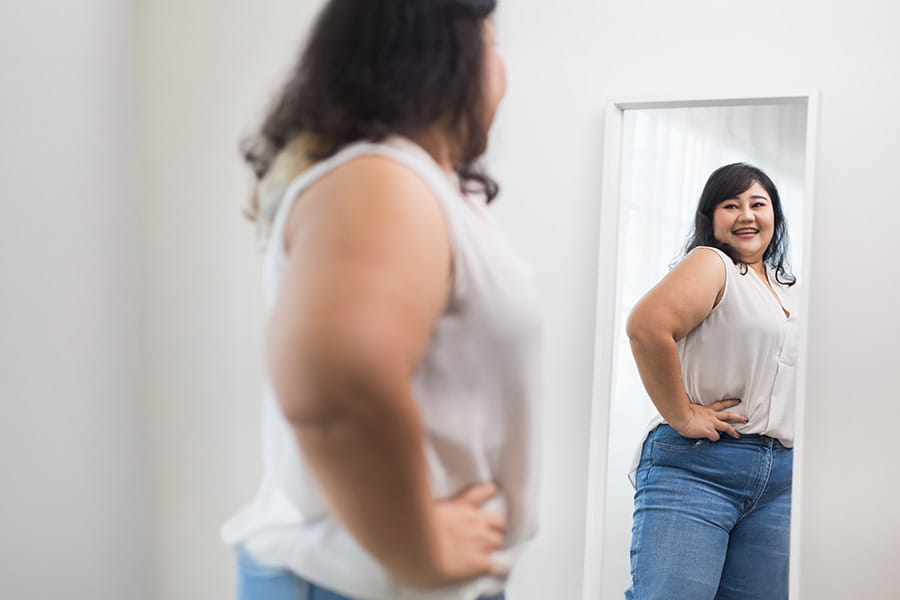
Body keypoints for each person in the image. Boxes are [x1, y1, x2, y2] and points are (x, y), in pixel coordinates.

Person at [220, 2, 542, 600]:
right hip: (358, 581)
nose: (504, 67)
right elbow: (338, 384)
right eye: (492, 42)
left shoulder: (425, 187)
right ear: (446, 56)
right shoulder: (382, 178)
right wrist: (419, 547)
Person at [624, 163, 799, 599]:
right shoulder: (712, 263)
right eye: (730, 205)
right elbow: (647, 328)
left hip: (781, 479)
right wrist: (682, 415)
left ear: (775, 214)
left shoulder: (788, 287)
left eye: (758, 204)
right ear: (710, 217)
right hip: (699, 468)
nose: (746, 215)